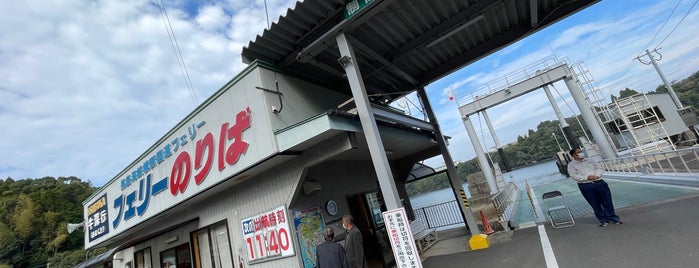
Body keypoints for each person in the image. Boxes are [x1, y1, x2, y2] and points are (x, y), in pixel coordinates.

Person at [567, 148, 622, 227]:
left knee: (607, 201)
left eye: (581, 151)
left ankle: (613, 218)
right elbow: (574, 175)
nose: (581, 153)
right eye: (578, 152)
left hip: (599, 182)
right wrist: (587, 177)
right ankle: (603, 220)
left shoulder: (590, 160)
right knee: (594, 203)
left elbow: (599, 167)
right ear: (574, 155)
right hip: (586, 185)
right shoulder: (571, 165)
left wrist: (596, 175)